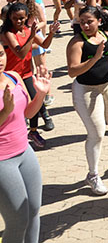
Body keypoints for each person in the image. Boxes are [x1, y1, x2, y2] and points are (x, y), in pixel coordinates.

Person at [66, 6, 108, 195]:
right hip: (86, 89)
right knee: (96, 133)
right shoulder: (77, 42)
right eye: (82, 22)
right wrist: (95, 58)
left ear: (99, 21)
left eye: (90, 21)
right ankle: (93, 175)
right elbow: (72, 71)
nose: (86, 25)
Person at [0, 45, 51, 243]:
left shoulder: (13, 76)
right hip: (3, 161)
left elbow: (28, 113)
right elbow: (8, 114)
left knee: (34, 211)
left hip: (24, 152)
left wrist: (41, 94)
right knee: (17, 221)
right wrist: (5, 111)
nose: (0, 60)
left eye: (1, 54)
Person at [1, 3, 59, 147]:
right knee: (12, 105)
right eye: (15, 19)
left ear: (27, 17)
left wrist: (51, 33)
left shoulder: (27, 30)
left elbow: (44, 45)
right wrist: (31, 36)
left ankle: (33, 131)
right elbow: (20, 53)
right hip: (11, 76)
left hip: (26, 73)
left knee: (36, 101)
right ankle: (12, 131)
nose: (19, 21)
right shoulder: (8, 33)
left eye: (22, 18)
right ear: (10, 18)